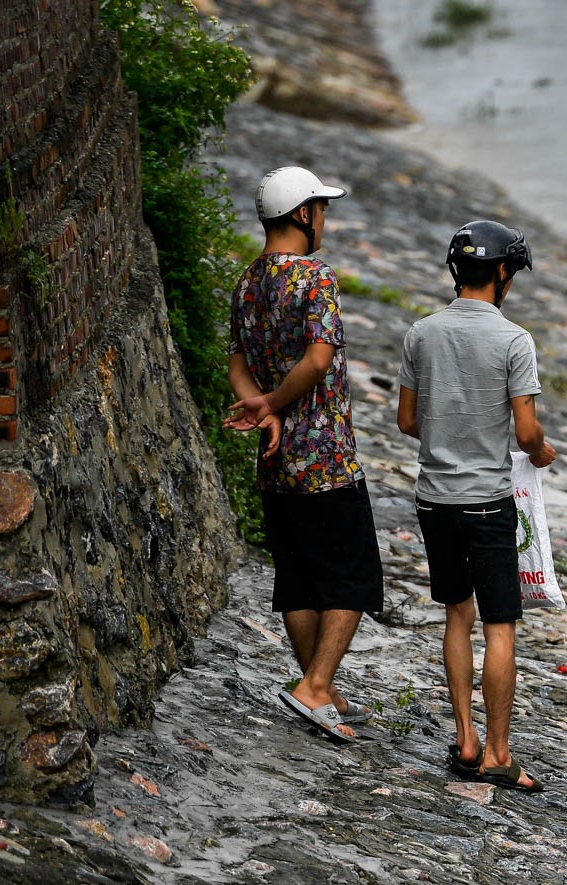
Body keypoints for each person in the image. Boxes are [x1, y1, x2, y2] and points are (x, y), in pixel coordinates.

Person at [225, 165, 384, 744]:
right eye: (321, 208)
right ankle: (314, 687)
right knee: (352, 577)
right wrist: (273, 401)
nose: (324, 218)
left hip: (276, 460)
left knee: (298, 578)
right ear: (301, 215)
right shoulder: (315, 277)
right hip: (326, 453)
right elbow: (319, 359)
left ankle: (324, 689)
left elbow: (237, 363)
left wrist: (261, 407)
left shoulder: (247, 282)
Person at [396, 220, 555, 793]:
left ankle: (464, 739)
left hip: (434, 499)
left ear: (457, 270)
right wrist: (539, 451)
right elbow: (527, 428)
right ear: (504, 272)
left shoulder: (422, 333)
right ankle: (498, 753)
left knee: (456, 615)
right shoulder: (515, 341)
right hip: (488, 502)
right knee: (501, 625)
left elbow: (407, 421)